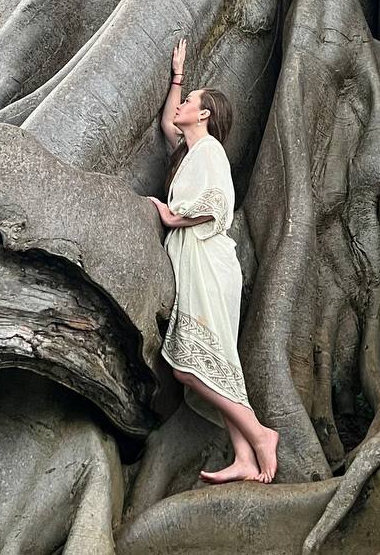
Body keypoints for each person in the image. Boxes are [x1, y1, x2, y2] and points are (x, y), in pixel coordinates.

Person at [148, 39, 280, 484]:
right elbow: (170, 124)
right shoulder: (190, 151)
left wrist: (171, 215)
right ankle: (244, 455)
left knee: (189, 366)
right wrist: (178, 76)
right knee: (217, 361)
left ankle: (261, 436)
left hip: (208, 259)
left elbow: (218, 203)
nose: (181, 106)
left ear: (204, 114)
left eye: (189, 101)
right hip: (196, 260)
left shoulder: (212, 152)